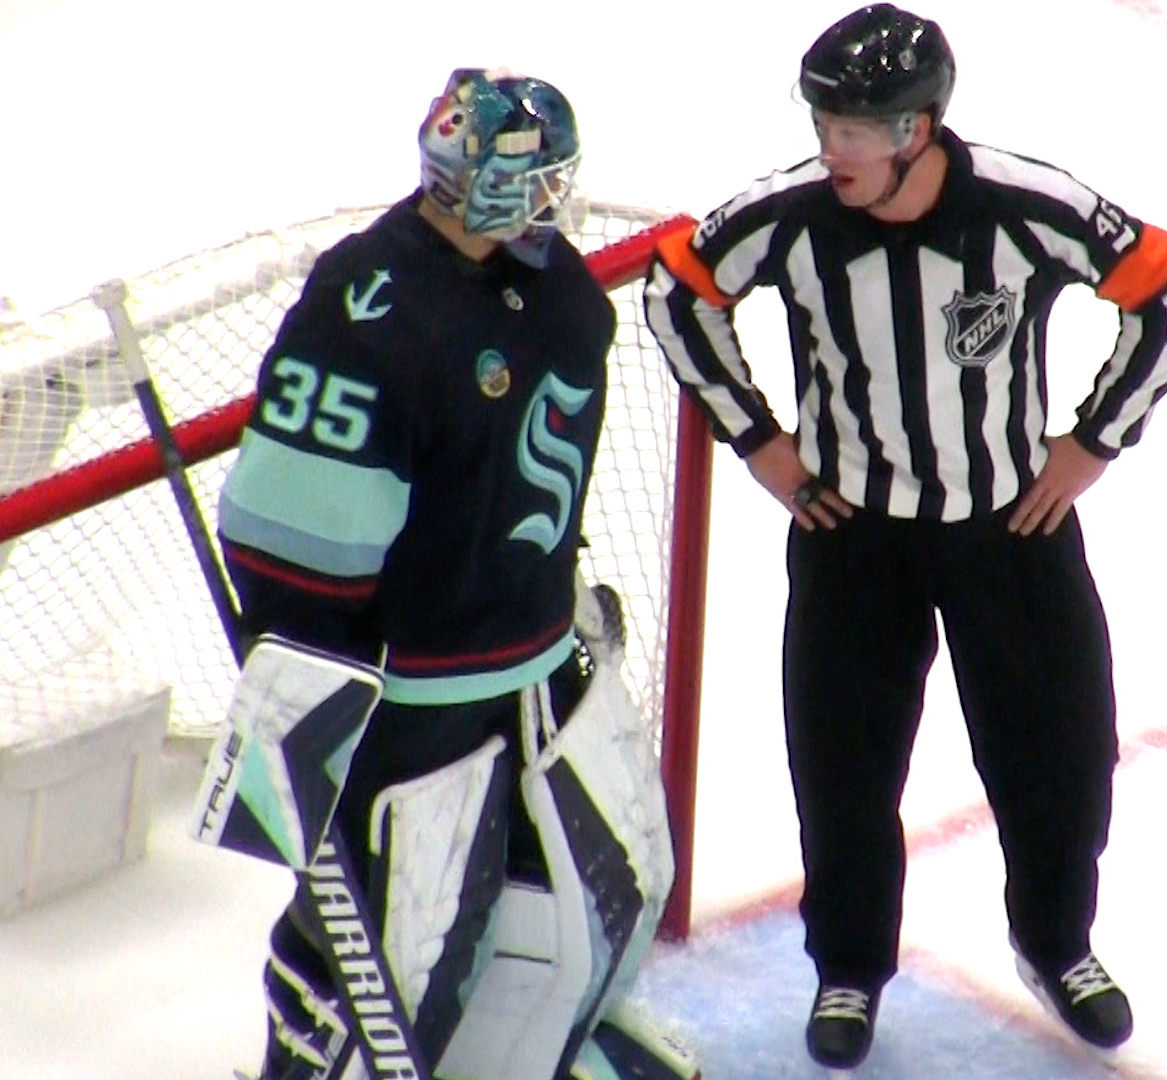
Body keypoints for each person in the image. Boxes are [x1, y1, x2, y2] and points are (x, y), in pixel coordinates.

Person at [644, 4, 1167, 1069]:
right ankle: (848, 969)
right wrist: (758, 440)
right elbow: (677, 293)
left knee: (1059, 756)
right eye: (823, 120)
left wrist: (1091, 443)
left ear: (917, 127)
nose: (832, 146)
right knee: (842, 768)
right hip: (851, 536)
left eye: (855, 126)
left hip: (1010, 529)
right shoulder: (791, 216)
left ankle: (1054, 943)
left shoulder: (1022, 206)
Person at [210, 68, 696, 1080]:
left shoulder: (550, 282)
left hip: (536, 667)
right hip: (413, 701)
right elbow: (284, 543)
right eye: (542, 180)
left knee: (610, 879)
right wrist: (307, 694)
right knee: (389, 948)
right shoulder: (367, 306)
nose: (558, 198)